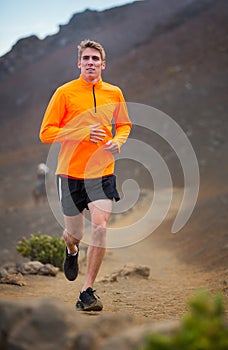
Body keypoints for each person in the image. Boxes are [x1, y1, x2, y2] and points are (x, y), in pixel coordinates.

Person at [39, 39, 132, 311]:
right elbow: (46, 133)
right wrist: (80, 133)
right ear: (79, 63)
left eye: (95, 59)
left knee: (101, 227)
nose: (91, 62)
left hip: (102, 172)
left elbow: (124, 125)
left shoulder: (114, 93)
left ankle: (87, 292)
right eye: (86, 58)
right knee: (74, 234)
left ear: (103, 64)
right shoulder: (64, 93)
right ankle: (71, 251)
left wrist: (119, 141)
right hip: (69, 174)